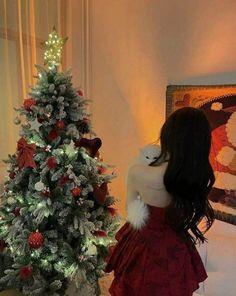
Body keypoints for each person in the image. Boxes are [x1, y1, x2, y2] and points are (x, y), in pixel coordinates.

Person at [105, 107, 215, 296]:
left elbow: (132, 211)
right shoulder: (197, 177)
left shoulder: (139, 172)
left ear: (167, 133)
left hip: (142, 245)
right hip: (174, 249)